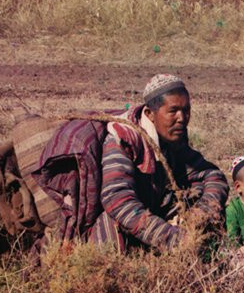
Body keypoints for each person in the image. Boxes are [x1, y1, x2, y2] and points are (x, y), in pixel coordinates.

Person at [89, 74, 229, 252]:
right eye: (173, 111)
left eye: (186, 110)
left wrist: (202, 212)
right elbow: (116, 198)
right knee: (113, 223)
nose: (182, 118)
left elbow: (212, 175)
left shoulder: (173, 138)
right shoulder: (123, 139)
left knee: (199, 193)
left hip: (156, 212)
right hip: (134, 222)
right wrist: (172, 238)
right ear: (150, 114)